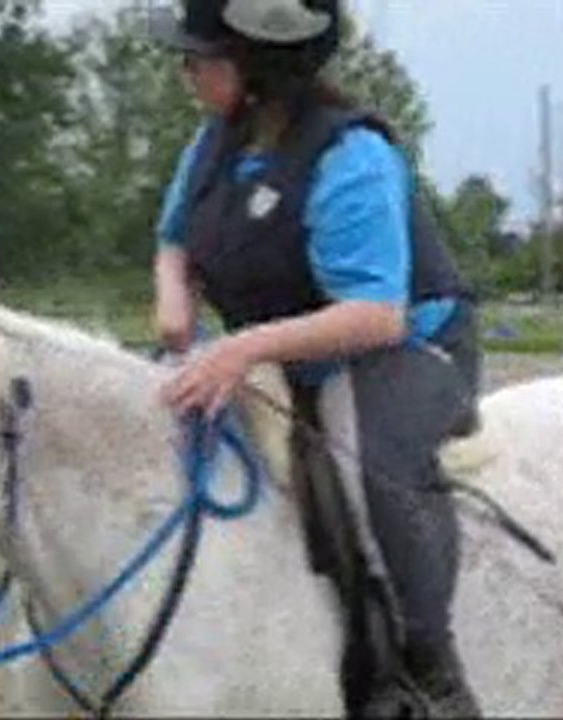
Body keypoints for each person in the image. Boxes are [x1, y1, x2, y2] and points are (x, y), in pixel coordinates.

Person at [151, 0, 482, 716]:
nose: (185, 70)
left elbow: (375, 313)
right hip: (281, 352)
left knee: (366, 461)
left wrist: (241, 347)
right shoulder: (212, 145)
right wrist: (174, 298)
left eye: (200, 57)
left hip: (405, 347)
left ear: (259, 67)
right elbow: (174, 239)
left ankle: (429, 670)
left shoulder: (350, 154)